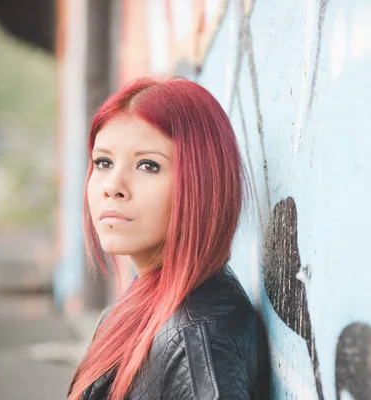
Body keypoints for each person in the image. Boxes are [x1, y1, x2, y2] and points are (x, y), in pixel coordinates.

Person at [67, 77, 269, 400]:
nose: (112, 186)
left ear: (201, 183)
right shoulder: (140, 303)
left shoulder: (196, 340)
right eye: (103, 162)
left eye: (148, 165)